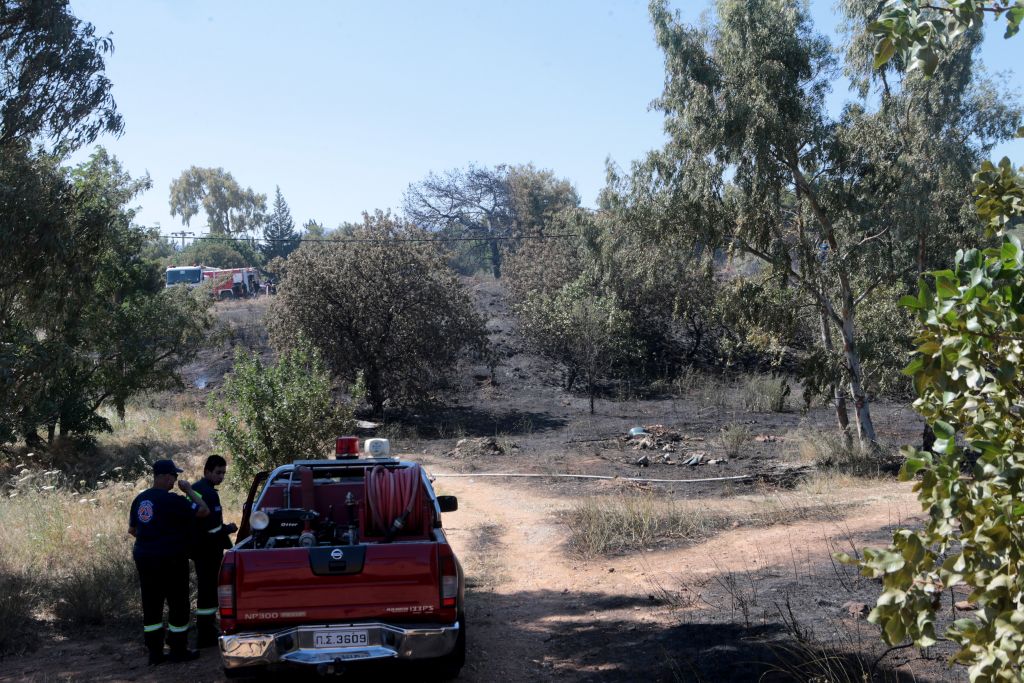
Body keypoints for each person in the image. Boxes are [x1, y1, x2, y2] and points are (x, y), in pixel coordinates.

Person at [129, 459, 210, 665]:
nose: (175, 480)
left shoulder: (140, 499)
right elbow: (203, 510)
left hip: (145, 558)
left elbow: (133, 530)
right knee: (178, 603)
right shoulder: (173, 500)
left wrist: (152, 538)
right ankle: (178, 649)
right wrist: (189, 490)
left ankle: (155, 653)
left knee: (151, 604)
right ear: (166, 477)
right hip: (171, 558)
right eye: (174, 476)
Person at [190, 454, 238, 647]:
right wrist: (228, 528)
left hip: (199, 548)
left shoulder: (196, 489)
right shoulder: (208, 493)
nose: (221, 477)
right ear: (207, 471)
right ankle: (206, 633)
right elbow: (212, 528)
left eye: (223, 473)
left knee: (207, 590)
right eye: (218, 472)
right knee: (209, 591)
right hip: (208, 550)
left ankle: (206, 629)